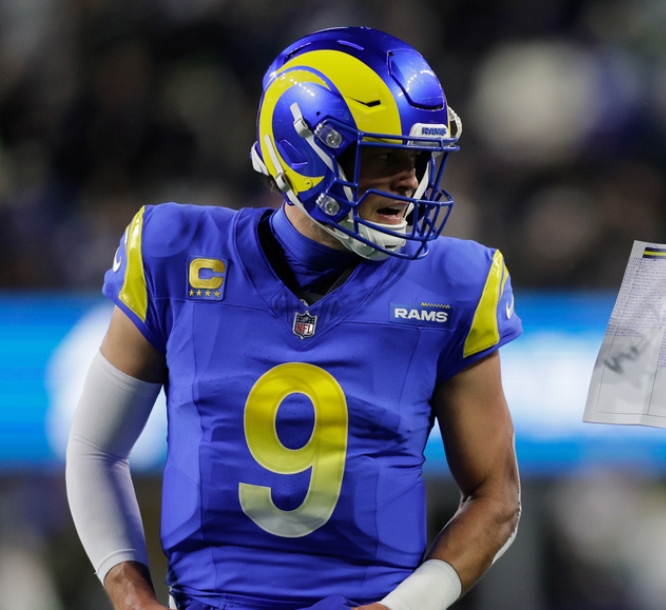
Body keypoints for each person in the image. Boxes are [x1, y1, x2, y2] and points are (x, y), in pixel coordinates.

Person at [65, 26, 522, 610]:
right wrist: (132, 599)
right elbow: (95, 451)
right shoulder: (174, 252)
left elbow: (496, 496)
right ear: (306, 150)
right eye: (383, 155)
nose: (411, 179)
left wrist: (403, 608)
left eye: (419, 157)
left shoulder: (455, 282)